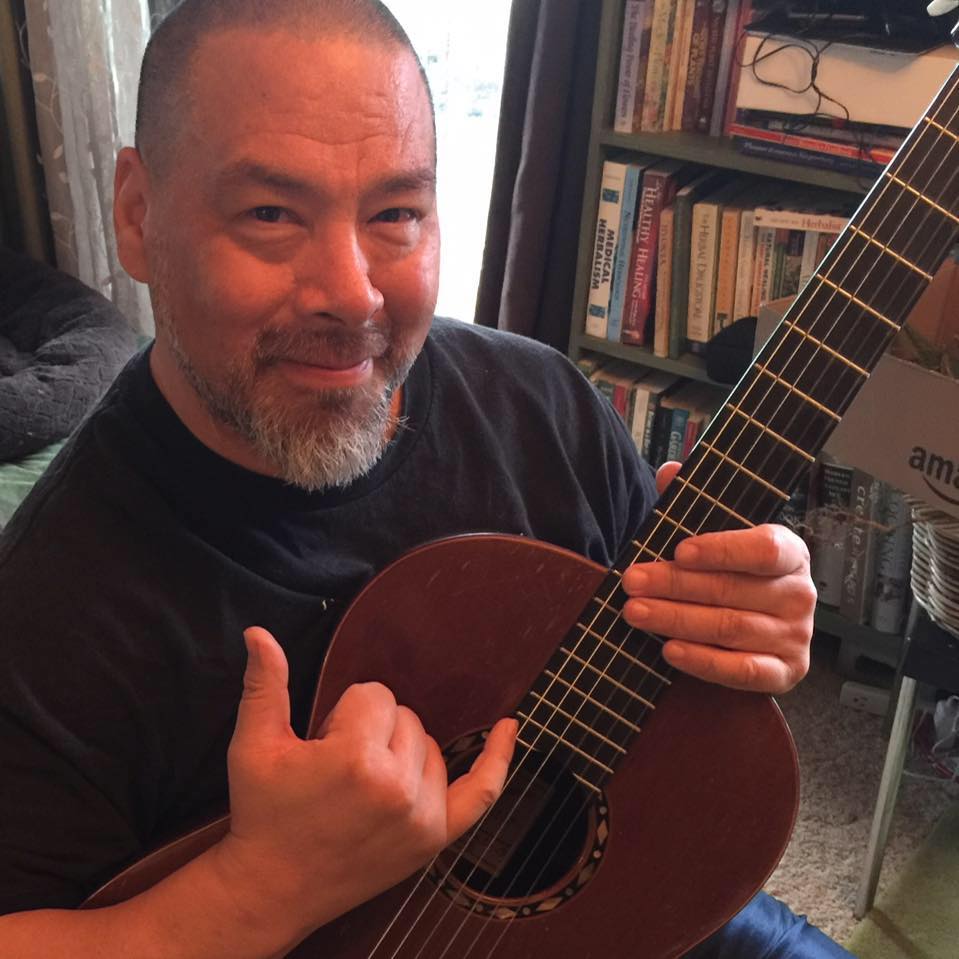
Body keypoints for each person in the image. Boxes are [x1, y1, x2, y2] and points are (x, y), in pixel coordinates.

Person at [0, 1, 849, 956]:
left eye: (395, 214)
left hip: (615, 911)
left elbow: (657, 684)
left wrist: (740, 626)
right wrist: (260, 887)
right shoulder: (47, 609)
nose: (352, 292)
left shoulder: (542, 404)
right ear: (138, 214)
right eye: (270, 214)